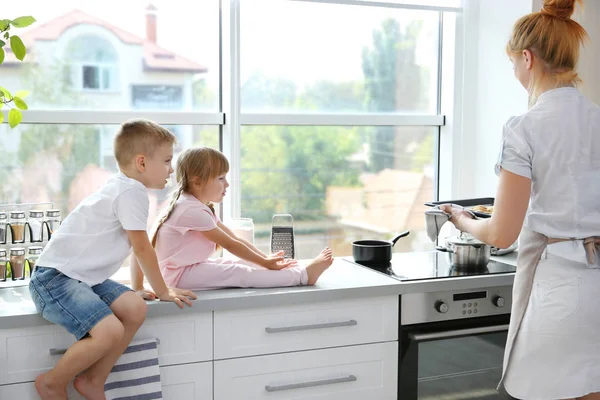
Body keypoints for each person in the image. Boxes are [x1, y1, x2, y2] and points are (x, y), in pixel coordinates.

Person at [441, 1, 600, 399]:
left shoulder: (524, 128)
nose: (514, 73)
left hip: (559, 294)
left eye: (513, 63)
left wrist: (461, 219)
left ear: (527, 58)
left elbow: (501, 232)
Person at [29, 119, 197, 400]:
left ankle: (94, 379)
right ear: (142, 163)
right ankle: (52, 382)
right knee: (109, 331)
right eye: (167, 161)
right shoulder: (130, 192)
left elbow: (135, 245)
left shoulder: (125, 187)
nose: (171, 169)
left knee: (135, 308)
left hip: (84, 278)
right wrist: (164, 290)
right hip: (55, 279)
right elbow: (143, 248)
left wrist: (138, 286)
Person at [131, 147, 333, 292]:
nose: (226, 184)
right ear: (198, 181)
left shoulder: (196, 205)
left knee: (235, 263)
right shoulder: (190, 210)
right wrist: (263, 261)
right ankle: (303, 276)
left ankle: (295, 270)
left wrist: (266, 260)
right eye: (220, 178)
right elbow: (229, 244)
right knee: (238, 272)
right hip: (177, 276)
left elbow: (234, 239)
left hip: (181, 271)